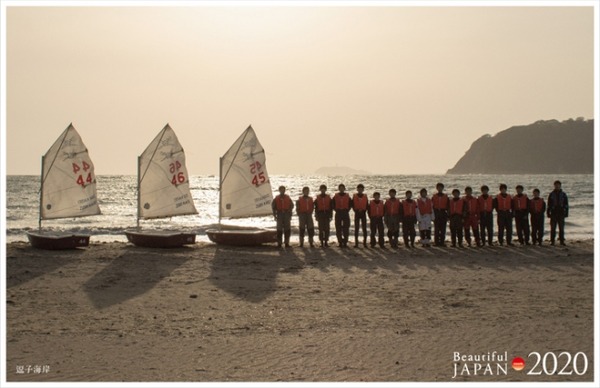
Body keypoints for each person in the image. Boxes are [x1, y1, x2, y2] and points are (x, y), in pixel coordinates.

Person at [547, 180, 569, 246]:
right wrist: (548, 213)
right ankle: (552, 241)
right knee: (553, 228)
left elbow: (566, 204)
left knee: (561, 228)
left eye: (558, 185)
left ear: (560, 186)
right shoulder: (551, 194)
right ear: (554, 186)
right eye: (556, 185)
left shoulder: (564, 194)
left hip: (561, 212)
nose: (557, 186)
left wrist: (566, 213)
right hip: (553, 213)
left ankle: (561, 241)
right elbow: (549, 205)